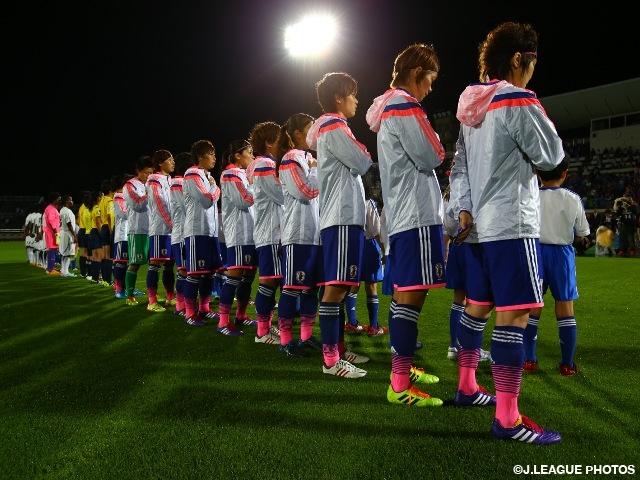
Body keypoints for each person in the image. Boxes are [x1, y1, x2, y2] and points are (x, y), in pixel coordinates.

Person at [448, 22, 564, 444]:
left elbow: (458, 167)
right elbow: (551, 156)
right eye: (532, 61)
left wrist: (463, 208)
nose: (533, 69)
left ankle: (466, 387)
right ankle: (507, 419)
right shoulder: (517, 99)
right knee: (514, 314)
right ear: (519, 58)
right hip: (512, 222)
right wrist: (536, 106)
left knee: (477, 306)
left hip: (478, 224)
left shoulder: (470, 106)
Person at [366, 43, 446, 405]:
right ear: (416, 73)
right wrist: (440, 147)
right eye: (429, 80)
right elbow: (432, 154)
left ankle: (403, 367)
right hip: (415, 214)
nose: (430, 88)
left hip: (402, 214)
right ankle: (399, 384)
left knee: (404, 294)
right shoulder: (405, 105)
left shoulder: (388, 107)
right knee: (413, 295)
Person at [307, 72, 373, 378]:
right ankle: (331, 360)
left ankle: (339, 350)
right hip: (341, 218)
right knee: (335, 288)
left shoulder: (333, 127)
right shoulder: (334, 125)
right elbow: (362, 162)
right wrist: (364, 152)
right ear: (338, 98)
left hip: (345, 218)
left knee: (343, 286)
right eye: (352, 94)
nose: (356, 100)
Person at [523, 157, 590, 377]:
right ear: (564, 173)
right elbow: (582, 233)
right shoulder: (572, 198)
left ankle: (529, 360)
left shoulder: (530, 196)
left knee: (533, 307)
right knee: (565, 308)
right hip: (561, 254)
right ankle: (567, 364)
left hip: (535, 252)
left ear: (538, 174)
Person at [275, 112, 322, 356]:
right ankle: (285, 341)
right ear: (297, 134)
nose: (313, 134)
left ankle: (306, 336)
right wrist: (315, 171)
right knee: (292, 288)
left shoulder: (308, 158)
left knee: (311, 289)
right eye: (309, 129)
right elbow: (306, 192)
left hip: (314, 235)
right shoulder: (289, 160)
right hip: (297, 235)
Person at [442, 183, 491, 363]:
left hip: (456, 246)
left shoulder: (448, 197)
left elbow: (446, 228)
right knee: (477, 300)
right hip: (474, 246)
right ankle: (470, 349)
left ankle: (454, 346)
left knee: (458, 299)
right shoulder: (473, 191)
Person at [246, 121, 284, 345]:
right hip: (270, 232)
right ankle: (262, 331)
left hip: (274, 231)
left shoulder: (268, 163)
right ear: (269, 142)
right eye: (280, 139)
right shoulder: (264, 165)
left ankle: (267, 326)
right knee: (268, 281)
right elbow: (281, 195)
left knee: (275, 281)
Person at [218, 140, 258, 335]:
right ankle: (223, 322)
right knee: (235, 276)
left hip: (250, 233)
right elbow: (244, 200)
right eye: (249, 152)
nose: (252, 156)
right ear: (237, 156)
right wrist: (256, 186)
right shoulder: (230, 174)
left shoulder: (241, 174)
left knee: (248, 276)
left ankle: (240, 315)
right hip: (239, 233)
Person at [182, 140, 223, 326]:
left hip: (210, 232)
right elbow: (207, 200)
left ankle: (204, 309)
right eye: (211, 154)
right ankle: (189, 313)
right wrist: (215, 188)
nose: (214, 157)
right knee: (195, 273)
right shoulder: (192, 174)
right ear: (200, 157)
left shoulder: (205, 176)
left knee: (208, 272)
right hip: (196, 231)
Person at [343, 172, 387, 337]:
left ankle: (352, 322)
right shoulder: (368, 203)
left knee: (353, 284)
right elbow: (376, 230)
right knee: (371, 285)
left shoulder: (348, 203)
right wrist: (385, 250)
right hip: (368, 246)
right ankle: (374, 326)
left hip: (352, 245)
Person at [145, 149, 176, 312]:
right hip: (160, 228)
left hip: (171, 229)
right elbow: (159, 203)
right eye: (169, 159)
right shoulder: (154, 180)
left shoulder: (169, 179)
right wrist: (172, 223)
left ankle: (170, 297)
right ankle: (151, 301)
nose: (173, 162)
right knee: (155, 263)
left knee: (170, 264)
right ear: (160, 163)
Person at [123, 155, 154, 305]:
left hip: (153, 229)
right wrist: (149, 194)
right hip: (137, 229)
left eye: (150, 172)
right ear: (138, 171)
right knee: (135, 263)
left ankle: (152, 296)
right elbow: (137, 205)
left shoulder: (149, 184)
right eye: (146, 172)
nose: (149, 175)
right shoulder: (130, 185)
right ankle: (129, 295)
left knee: (154, 264)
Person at [169, 152, 191, 316]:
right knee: (183, 271)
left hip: (184, 232)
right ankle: (180, 305)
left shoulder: (182, 182)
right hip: (182, 233)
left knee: (186, 271)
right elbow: (187, 207)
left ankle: (183, 304)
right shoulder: (178, 183)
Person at [113, 174, 133, 299]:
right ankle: (119, 289)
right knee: (121, 263)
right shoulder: (118, 197)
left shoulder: (127, 197)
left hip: (131, 233)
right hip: (122, 235)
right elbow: (124, 214)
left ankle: (129, 287)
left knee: (131, 263)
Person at [58, 194, 78, 277]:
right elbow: (69, 224)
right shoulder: (67, 211)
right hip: (67, 233)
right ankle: (65, 272)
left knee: (64, 253)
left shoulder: (62, 210)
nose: (72, 202)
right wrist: (74, 235)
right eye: (71, 200)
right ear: (67, 201)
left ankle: (63, 270)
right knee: (67, 254)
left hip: (63, 232)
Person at [42, 192, 61, 275]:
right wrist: (56, 232)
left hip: (51, 232)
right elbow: (51, 221)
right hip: (51, 233)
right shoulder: (51, 209)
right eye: (58, 199)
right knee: (52, 250)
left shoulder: (50, 208)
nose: (59, 201)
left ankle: (50, 267)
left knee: (53, 250)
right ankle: (50, 269)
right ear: (54, 200)